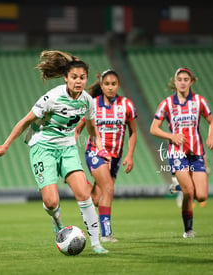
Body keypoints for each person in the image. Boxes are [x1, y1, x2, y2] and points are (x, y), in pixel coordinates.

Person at [0, 50, 109, 254]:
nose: (78, 81)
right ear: (66, 78)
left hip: (67, 148)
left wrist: (99, 145)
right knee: (51, 201)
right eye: (74, 77)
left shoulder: (87, 101)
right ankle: (57, 220)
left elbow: (91, 127)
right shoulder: (52, 97)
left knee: (83, 193)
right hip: (42, 147)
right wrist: (5, 145)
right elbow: (25, 121)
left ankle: (97, 244)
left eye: (82, 78)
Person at [150, 67, 213, 238]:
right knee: (189, 192)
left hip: (196, 153)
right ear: (175, 82)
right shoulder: (167, 103)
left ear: (191, 82)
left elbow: (212, 122)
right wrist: (171, 136)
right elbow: (153, 129)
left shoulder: (200, 101)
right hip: (176, 153)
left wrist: (210, 137)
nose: (182, 82)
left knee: (201, 196)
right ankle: (188, 230)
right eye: (179, 79)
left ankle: (179, 183)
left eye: (186, 79)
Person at [75, 69, 137, 242]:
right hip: (95, 152)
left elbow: (133, 132)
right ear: (101, 86)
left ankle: (80, 184)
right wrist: (70, 149)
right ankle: (106, 234)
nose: (110, 87)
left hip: (115, 156)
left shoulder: (127, 105)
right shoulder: (92, 104)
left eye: (113, 84)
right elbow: (78, 129)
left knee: (97, 198)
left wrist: (130, 155)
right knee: (109, 188)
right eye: (107, 84)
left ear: (118, 85)